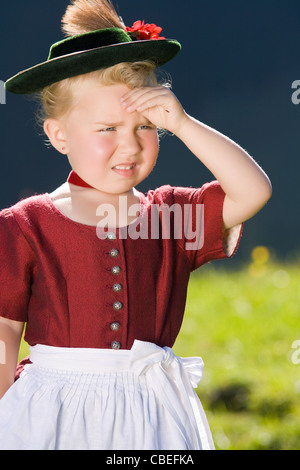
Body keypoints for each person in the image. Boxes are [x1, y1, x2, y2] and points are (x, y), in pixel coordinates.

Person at [0, 0, 272, 450]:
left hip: (151, 414)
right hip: (53, 412)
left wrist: (183, 124)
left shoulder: (169, 215)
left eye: (145, 127)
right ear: (59, 135)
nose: (129, 146)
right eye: (107, 129)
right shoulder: (25, 225)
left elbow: (253, 191)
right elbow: (5, 335)